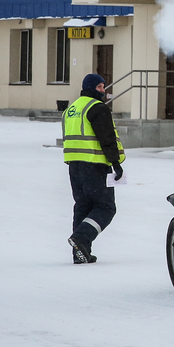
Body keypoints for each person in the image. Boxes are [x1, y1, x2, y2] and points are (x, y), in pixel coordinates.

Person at [62, 73, 125, 264]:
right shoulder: (97, 108)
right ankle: (82, 238)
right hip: (95, 165)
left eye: (103, 87)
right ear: (89, 87)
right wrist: (116, 163)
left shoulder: (71, 109)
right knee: (105, 208)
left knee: (83, 206)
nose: (103, 91)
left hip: (74, 166)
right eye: (99, 87)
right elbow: (106, 138)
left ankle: (80, 252)